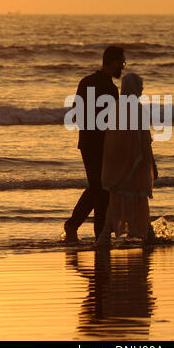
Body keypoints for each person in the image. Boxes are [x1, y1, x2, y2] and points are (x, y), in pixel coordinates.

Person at [64, 45, 126, 242]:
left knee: (97, 188)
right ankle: (97, 234)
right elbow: (116, 122)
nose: (122, 67)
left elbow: (75, 113)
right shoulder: (110, 89)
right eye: (122, 63)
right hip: (101, 146)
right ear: (114, 61)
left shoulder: (86, 82)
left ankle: (76, 226)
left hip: (87, 144)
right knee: (101, 190)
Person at [96, 73, 158, 247]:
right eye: (140, 86)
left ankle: (105, 235)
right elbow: (143, 138)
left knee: (117, 201)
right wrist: (150, 161)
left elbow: (112, 138)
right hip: (135, 165)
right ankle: (148, 234)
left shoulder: (116, 107)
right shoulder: (136, 108)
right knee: (139, 200)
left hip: (118, 165)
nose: (142, 90)